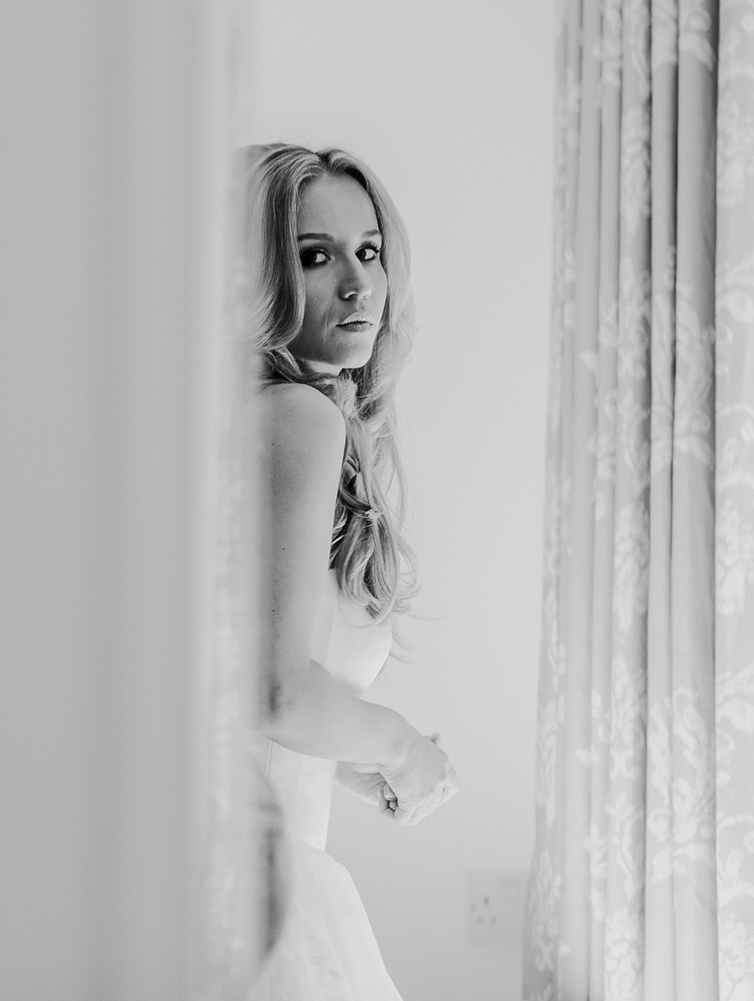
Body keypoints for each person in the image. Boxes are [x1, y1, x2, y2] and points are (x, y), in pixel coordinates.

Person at [244, 144, 459, 999]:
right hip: (265, 892)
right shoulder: (298, 417)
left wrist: (344, 758)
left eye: (368, 251)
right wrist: (403, 747)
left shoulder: (243, 419)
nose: (357, 284)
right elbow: (278, 693)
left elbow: (228, 696)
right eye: (314, 254)